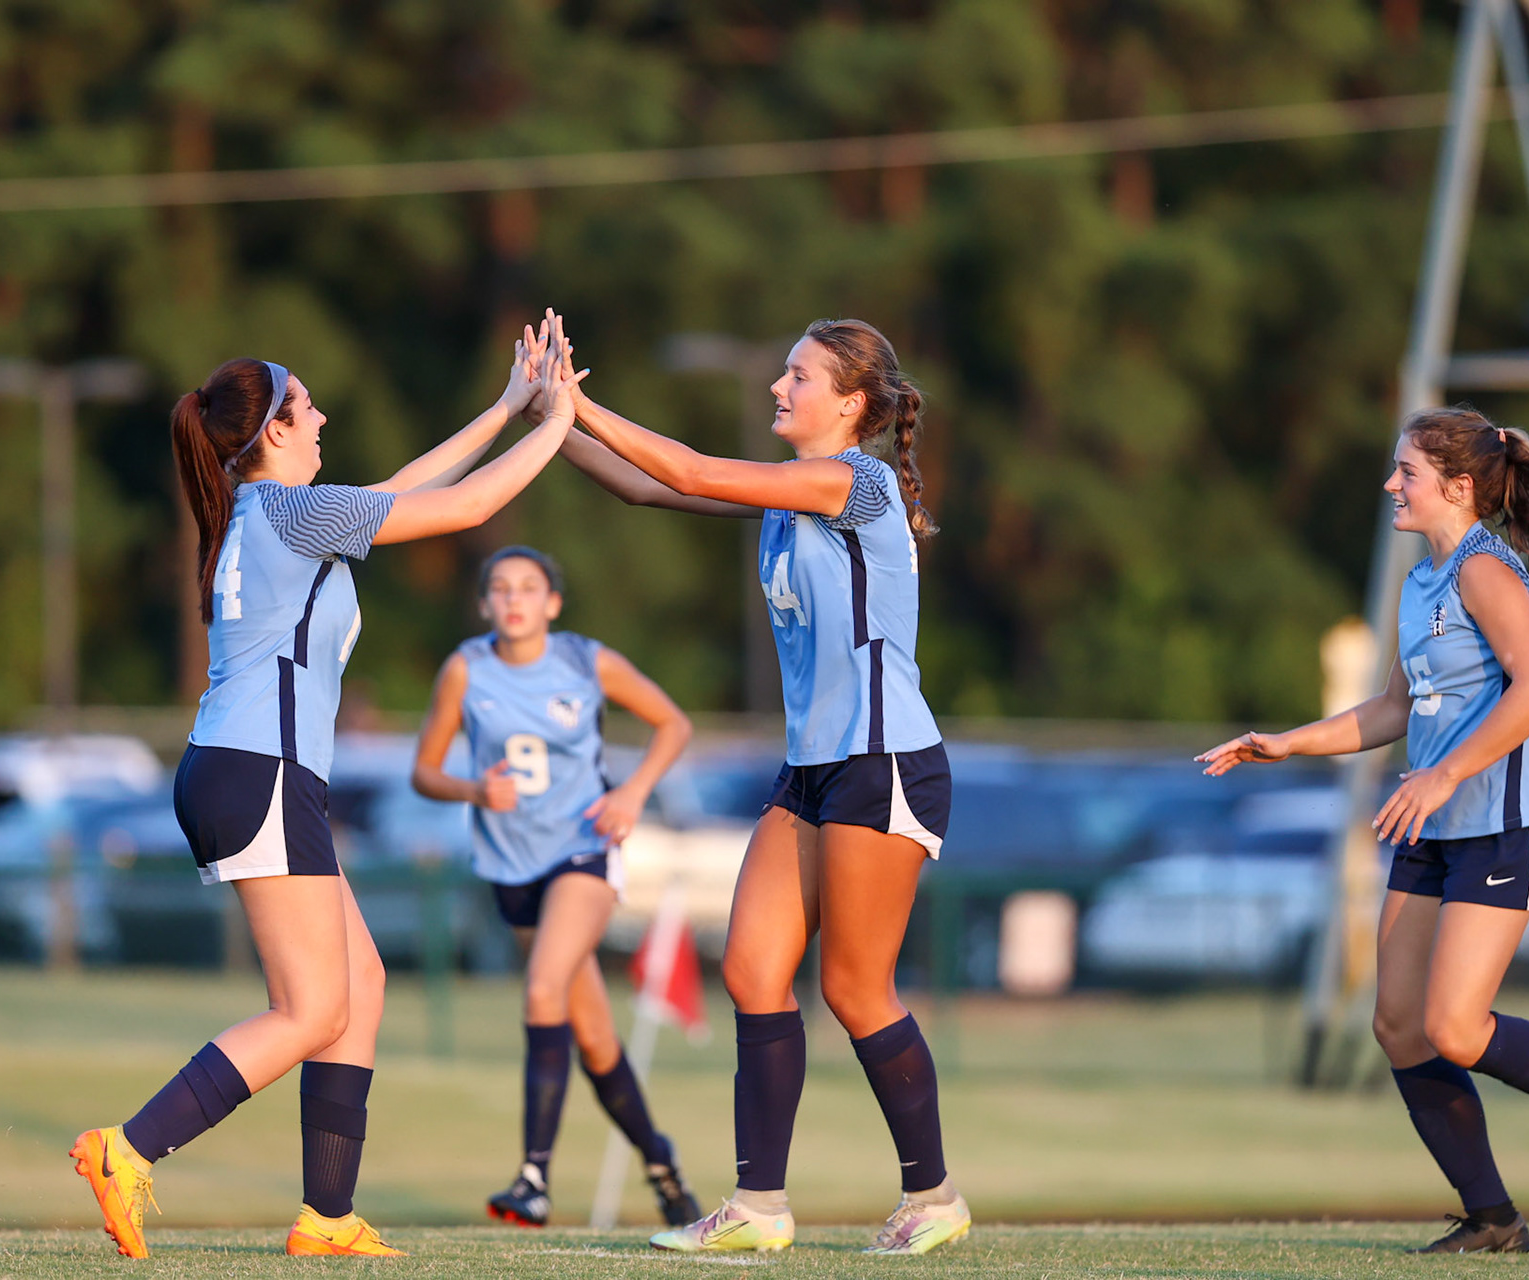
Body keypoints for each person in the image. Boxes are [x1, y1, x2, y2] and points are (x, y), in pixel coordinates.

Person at [69, 323, 582, 1259]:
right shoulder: (288, 512)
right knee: (309, 1011)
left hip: (252, 769)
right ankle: (127, 1149)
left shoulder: (266, 511)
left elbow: (402, 492)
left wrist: (511, 406)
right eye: (304, 405)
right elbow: (463, 510)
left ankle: (329, 1216)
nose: (322, 417)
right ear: (270, 430)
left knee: (360, 985)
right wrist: (561, 423)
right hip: (257, 771)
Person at [547, 314, 969, 1256]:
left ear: (852, 405)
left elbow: (692, 469)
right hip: (814, 767)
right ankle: (759, 1207)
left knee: (858, 989)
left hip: (883, 759)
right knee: (749, 969)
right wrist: (541, 417)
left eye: (799, 376)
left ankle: (933, 1195)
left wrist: (579, 402)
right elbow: (645, 488)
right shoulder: (792, 494)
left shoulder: (853, 482)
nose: (778, 388)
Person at [1199, 407, 1529, 1255]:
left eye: (1407, 472)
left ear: (1459, 487)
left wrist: (1446, 772)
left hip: (1494, 827)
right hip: (1428, 827)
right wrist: (1287, 742)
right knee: (1399, 1025)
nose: (1391, 484)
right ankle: (1493, 1219)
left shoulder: (1489, 573)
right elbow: (1392, 707)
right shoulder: (1421, 580)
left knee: (1457, 1028)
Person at [410, 544, 701, 1229]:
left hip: (583, 851)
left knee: (543, 989)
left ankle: (533, 1178)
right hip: (511, 867)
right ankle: (661, 1162)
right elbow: (423, 770)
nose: (514, 600)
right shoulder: (466, 669)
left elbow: (673, 723)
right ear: (484, 604)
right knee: (594, 1039)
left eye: (529, 588)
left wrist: (631, 792)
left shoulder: (583, 660)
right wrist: (472, 788)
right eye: (500, 589)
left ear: (553, 604)